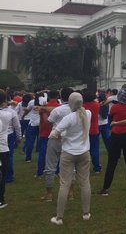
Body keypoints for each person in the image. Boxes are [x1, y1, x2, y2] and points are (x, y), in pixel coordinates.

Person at [49, 92, 92, 225]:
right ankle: (86, 213)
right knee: (85, 182)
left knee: (64, 184)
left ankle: (59, 217)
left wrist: (62, 136)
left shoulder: (69, 118)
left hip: (68, 153)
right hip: (84, 152)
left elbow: (52, 134)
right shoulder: (88, 114)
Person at [99, 88, 126, 196]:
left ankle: (106, 188)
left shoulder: (115, 107)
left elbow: (111, 116)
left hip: (117, 135)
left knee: (112, 162)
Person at [0, 89, 21, 209]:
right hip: (4, 144)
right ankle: (1, 199)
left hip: (4, 141)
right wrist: (18, 137)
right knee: (3, 170)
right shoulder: (9, 113)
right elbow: (17, 125)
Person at [82, 91, 102, 173]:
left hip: (84, 130)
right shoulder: (96, 105)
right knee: (94, 150)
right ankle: (96, 167)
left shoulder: (82, 106)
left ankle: (82, 168)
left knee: (83, 150)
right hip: (94, 129)